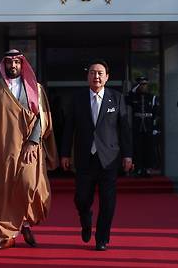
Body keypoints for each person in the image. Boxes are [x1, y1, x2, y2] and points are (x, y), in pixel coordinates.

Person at [0, 49, 58, 249]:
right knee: (4, 191)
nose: (13, 66)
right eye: (9, 62)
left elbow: (41, 118)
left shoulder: (35, 88)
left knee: (30, 186)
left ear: (22, 64)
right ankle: (8, 232)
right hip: (2, 150)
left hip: (29, 150)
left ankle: (25, 221)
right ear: (4, 65)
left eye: (17, 62)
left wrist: (32, 142)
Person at [61, 59, 133, 251]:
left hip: (109, 159)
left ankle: (102, 239)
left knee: (108, 203)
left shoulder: (116, 98)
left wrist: (128, 155)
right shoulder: (77, 99)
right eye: (93, 72)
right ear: (87, 76)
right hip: (85, 159)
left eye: (100, 73)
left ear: (107, 77)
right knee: (82, 198)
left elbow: (124, 129)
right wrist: (65, 154)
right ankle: (85, 220)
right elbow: (69, 128)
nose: (96, 76)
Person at [127, 76, 159, 177]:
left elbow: (156, 113)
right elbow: (127, 99)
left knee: (148, 148)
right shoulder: (134, 97)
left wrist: (154, 127)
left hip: (148, 126)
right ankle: (139, 169)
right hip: (137, 126)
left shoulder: (152, 97)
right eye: (141, 84)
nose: (143, 86)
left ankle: (147, 169)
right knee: (138, 148)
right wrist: (134, 89)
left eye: (144, 84)